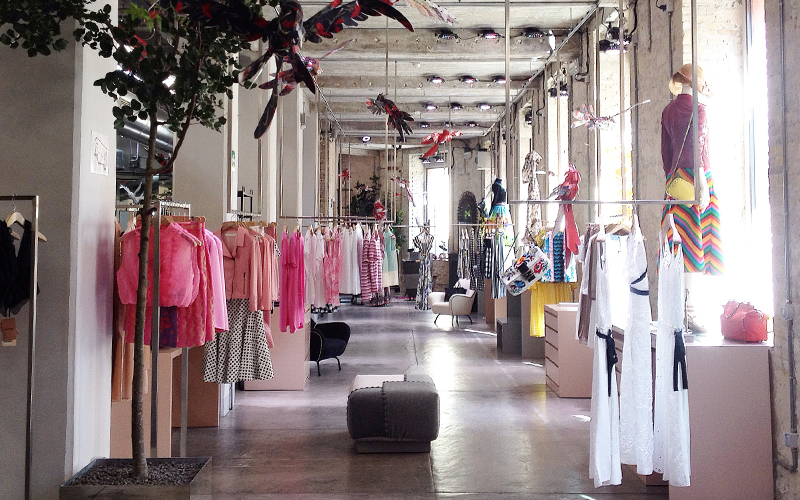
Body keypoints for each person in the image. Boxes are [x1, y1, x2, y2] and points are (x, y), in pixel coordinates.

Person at [660, 63, 724, 331]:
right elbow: (698, 147)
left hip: (676, 182)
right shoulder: (699, 110)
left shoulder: (668, 111)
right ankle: (691, 311)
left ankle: (680, 309)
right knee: (698, 241)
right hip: (698, 179)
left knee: (680, 243)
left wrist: (671, 180)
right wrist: (702, 185)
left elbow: (665, 152)